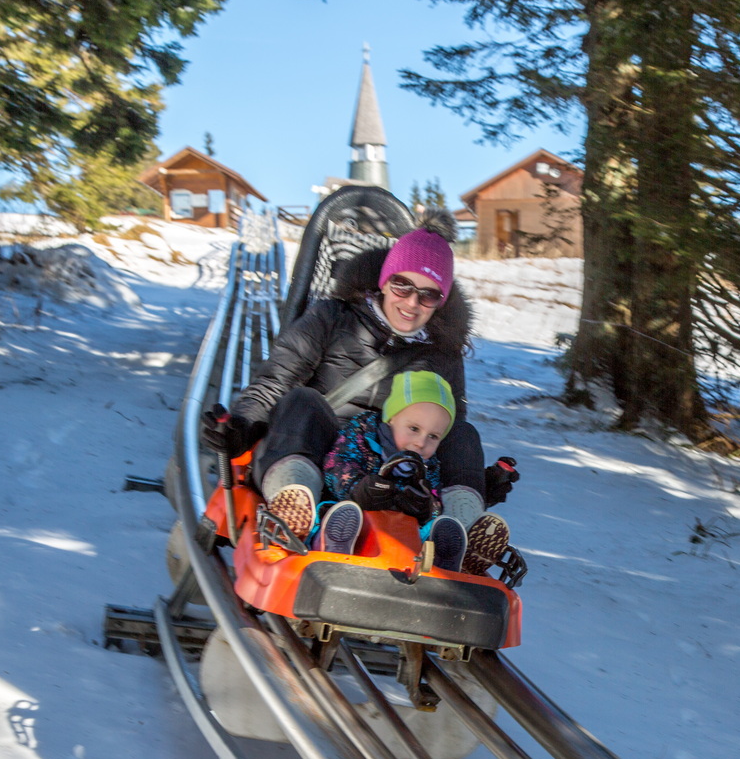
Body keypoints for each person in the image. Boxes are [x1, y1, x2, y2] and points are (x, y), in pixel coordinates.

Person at [201, 214, 518, 551]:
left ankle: (461, 530)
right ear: (384, 281)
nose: (412, 303)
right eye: (402, 286)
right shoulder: (332, 318)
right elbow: (274, 385)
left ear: (440, 301)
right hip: (319, 456)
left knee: (462, 433)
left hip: (398, 479)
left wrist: (472, 481)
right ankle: (293, 505)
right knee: (302, 401)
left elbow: (442, 433)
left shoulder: (443, 356)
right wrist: (241, 426)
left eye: (428, 295)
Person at [316, 370, 510, 575]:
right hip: (356, 512)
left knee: (436, 527)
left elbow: (435, 495)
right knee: (331, 513)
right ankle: (332, 544)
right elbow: (337, 461)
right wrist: (356, 487)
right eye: (414, 429)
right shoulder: (363, 434)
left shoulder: (428, 464)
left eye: (433, 436)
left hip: (406, 534)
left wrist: (427, 508)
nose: (420, 442)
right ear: (391, 418)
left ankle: (448, 558)